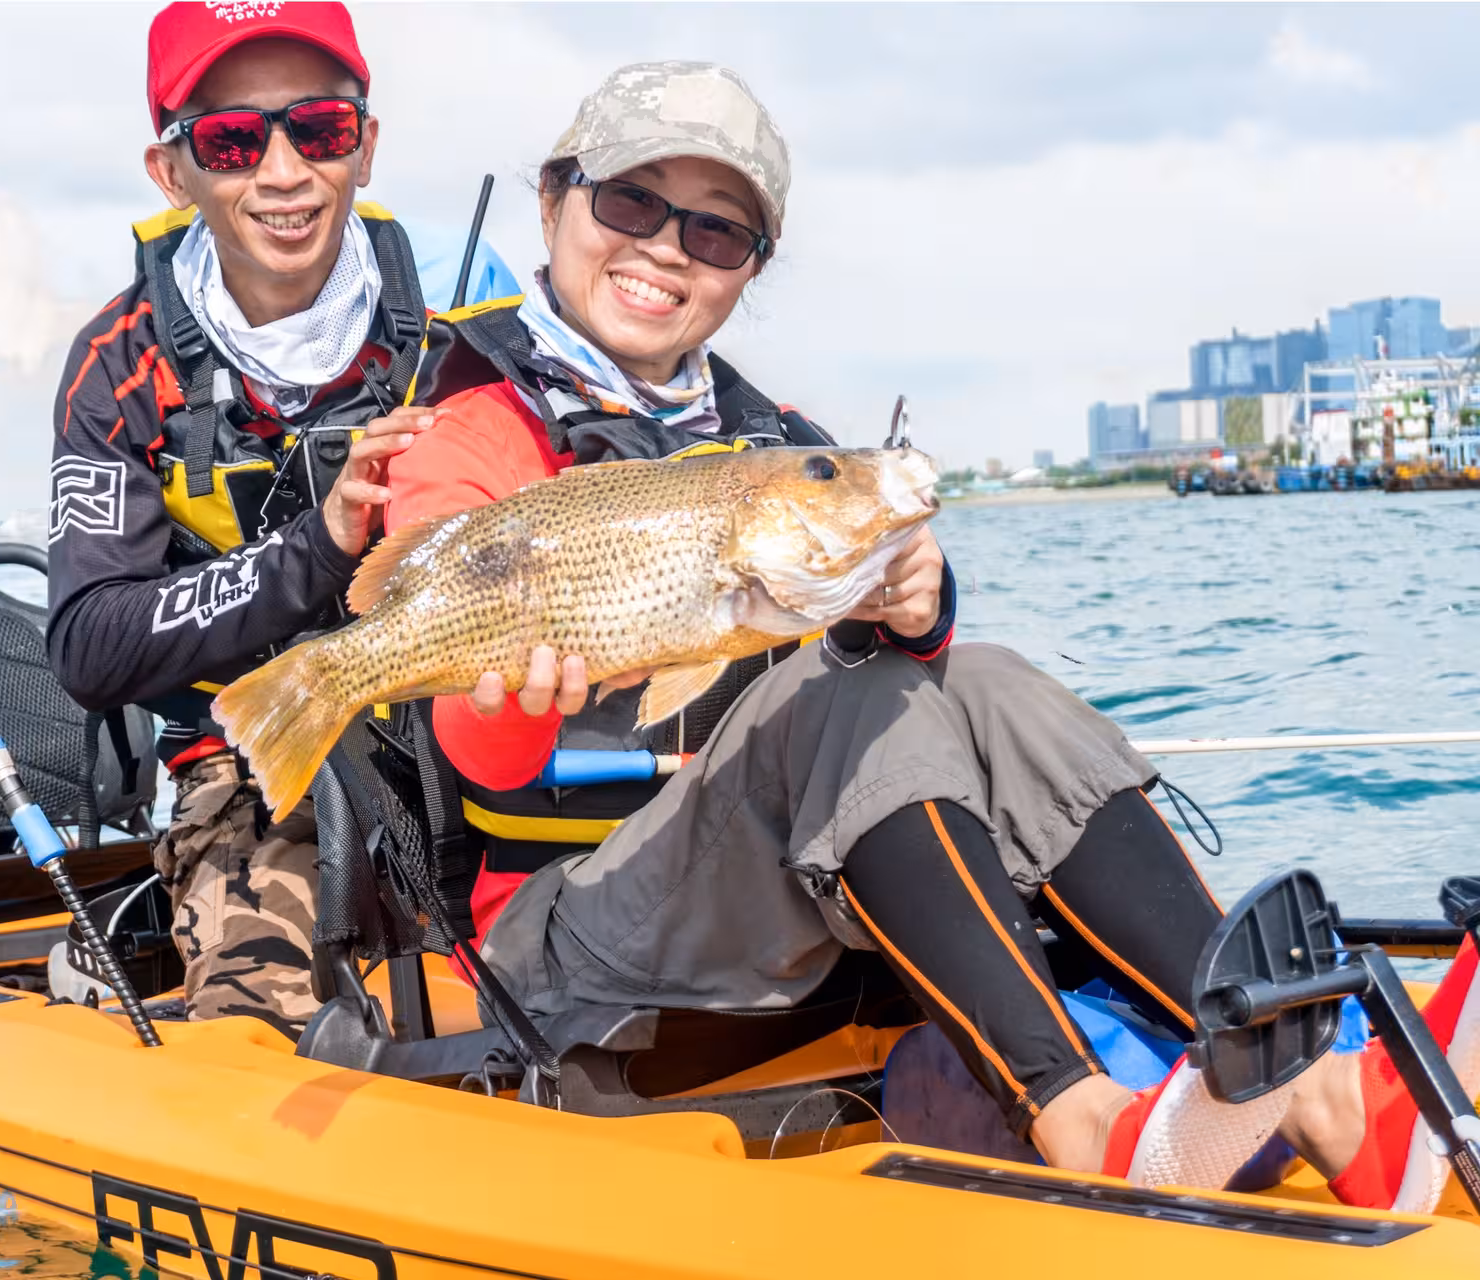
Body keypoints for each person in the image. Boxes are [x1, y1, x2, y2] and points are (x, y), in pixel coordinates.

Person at [384, 61, 1480, 1213]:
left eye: (717, 232)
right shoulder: (469, 432)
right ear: (555, 199)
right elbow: (471, 751)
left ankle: (1311, 1067)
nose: (666, 248)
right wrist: (513, 689)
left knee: (983, 673)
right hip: (557, 941)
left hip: (757, 901)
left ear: (749, 270)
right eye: (630, 203)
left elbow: (913, 682)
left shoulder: (777, 446)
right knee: (852, 704)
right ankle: (1077, 1111)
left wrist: (916, 603)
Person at [45, 1, 513, 1036]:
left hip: (470, 718)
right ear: (173, 171)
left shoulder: (468, 298)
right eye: (231, 140)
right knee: (259, 1019)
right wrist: (315, 550)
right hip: (248, 750)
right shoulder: (120, 363)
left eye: (321, 129)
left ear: (366, 144)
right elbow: (87, 643)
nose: (285, 170)